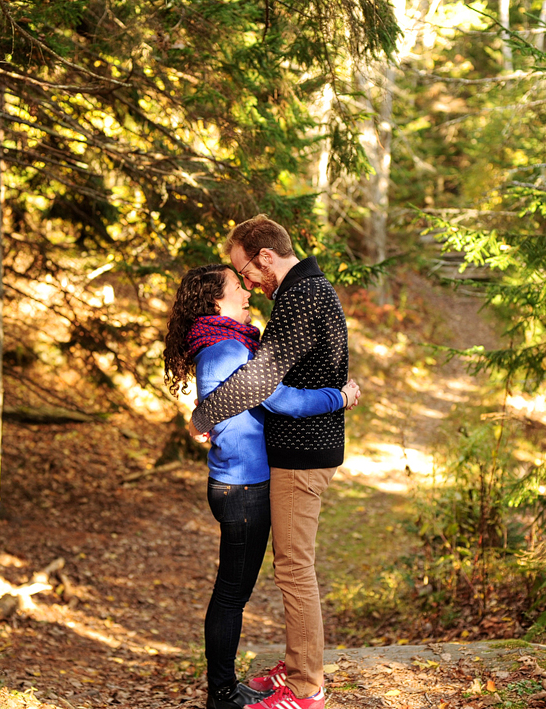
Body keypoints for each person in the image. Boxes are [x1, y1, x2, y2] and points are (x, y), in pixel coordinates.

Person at [164, 264, 360, 709]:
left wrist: (205, 414)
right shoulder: (228, 348)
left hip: (241, 483)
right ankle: (222, 693)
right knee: (231, 594)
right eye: (238, 286)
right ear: (217, 301)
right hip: (242, 488)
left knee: (234, 591)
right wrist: (340, 397)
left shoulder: (227, 343)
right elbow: (283, 400)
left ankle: (228, 687)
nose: (248, 291)